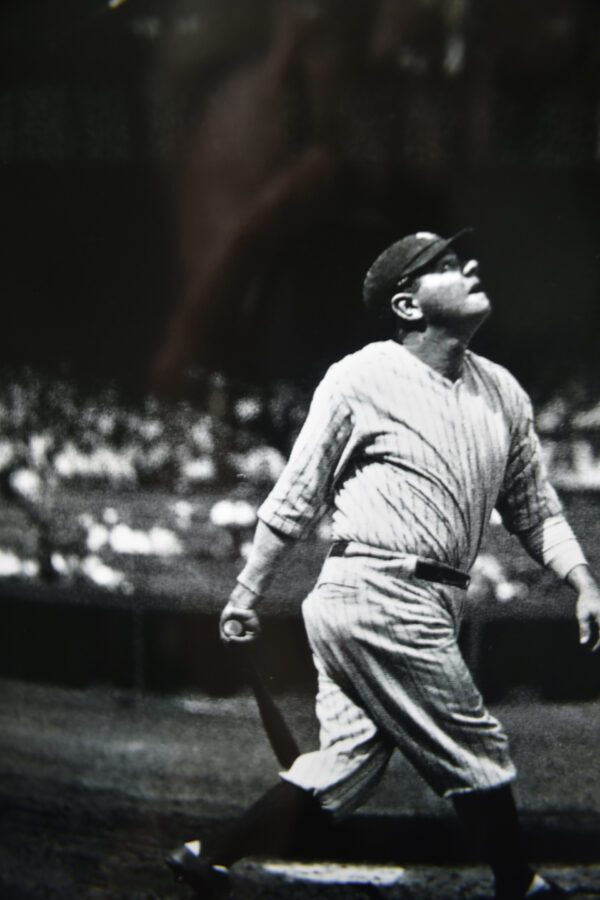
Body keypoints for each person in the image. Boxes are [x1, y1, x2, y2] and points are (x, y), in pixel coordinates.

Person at [166, 230, 600, 899]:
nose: (471, 267)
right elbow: (296, 495)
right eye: (447, 267)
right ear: (407, 305)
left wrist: (581, 580)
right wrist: (247, 592)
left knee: (345, 765)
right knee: (474, 741)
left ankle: (209, 855)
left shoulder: (505, 394)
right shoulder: (360, 376)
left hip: (424, 598)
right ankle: (522, 884)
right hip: (376, 586)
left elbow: (534, 507)